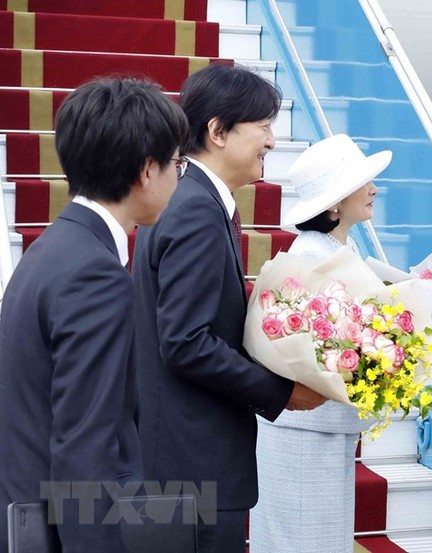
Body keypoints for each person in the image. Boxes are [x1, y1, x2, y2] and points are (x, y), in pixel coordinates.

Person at [131, 64, 326, 553]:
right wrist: (282, 393)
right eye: (262, 126)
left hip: (180, 457)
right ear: (217, 131)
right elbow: (185, 342)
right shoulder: (195, 207)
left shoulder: (190, 198)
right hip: (193, 464)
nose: (272, 141)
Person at [0, 78, 187, 553]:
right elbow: (84, 446)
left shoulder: (53, 247)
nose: (176, 177)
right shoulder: (95, 273)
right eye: (176, 164)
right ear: (147, 170)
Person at [251, 133, 391, 553]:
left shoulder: (327, 250)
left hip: (315, 432)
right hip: (303, 435)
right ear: (334, 203)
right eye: (362, 182)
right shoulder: (313, 258)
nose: (374, 189)